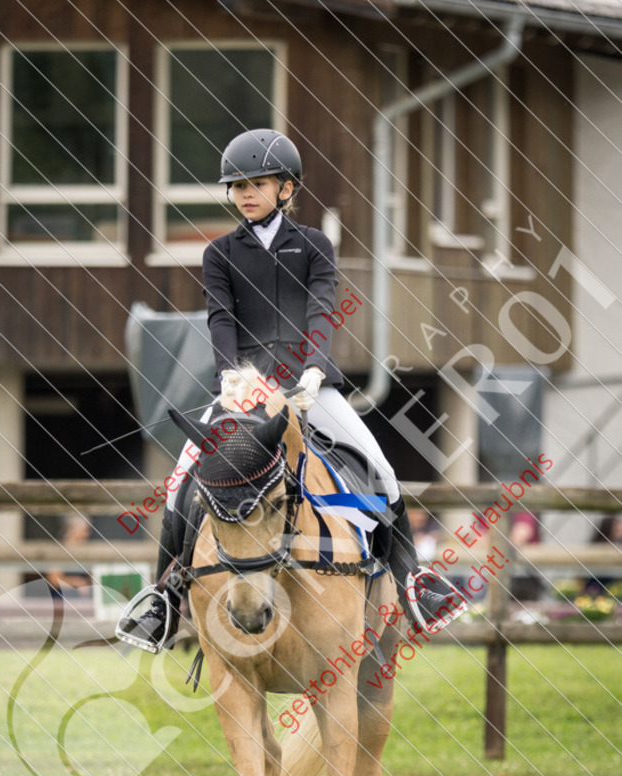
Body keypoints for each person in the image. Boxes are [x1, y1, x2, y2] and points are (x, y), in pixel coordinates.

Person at [118, 129, 466, 652]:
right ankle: (164, 600)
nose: (244, 194)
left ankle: (415, 582)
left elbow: (322, 311)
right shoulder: (220, 253)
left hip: (309, 387)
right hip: (244, 389)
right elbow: (221, 318)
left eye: (256, 183)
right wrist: (232, 375)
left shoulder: (314, 246)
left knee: (383, 471)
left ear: (285, 188)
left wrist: (313, 372)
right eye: (236, 186)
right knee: (179, 481)